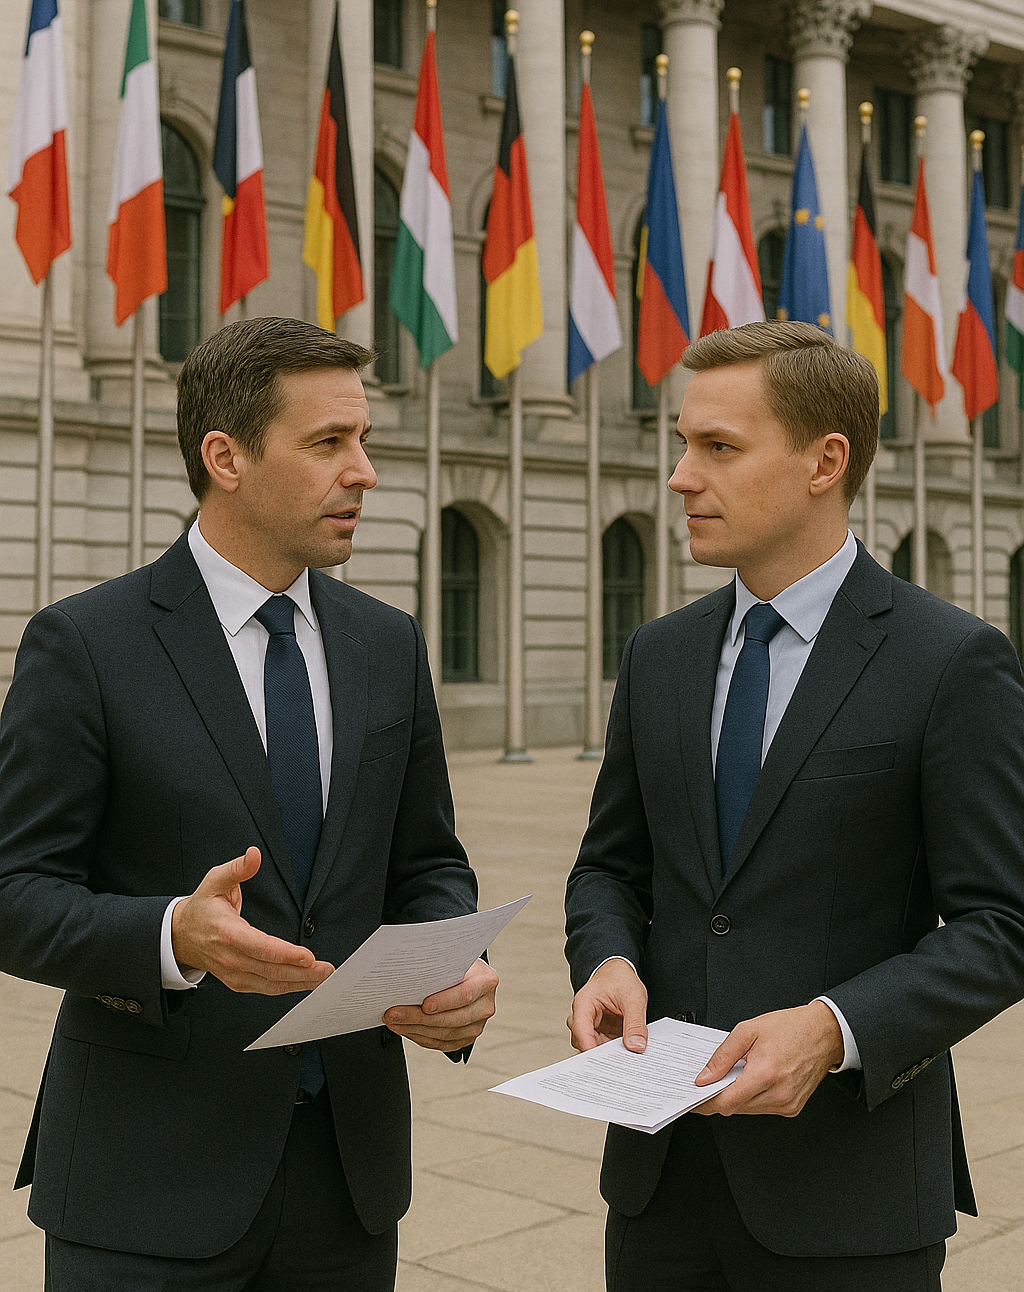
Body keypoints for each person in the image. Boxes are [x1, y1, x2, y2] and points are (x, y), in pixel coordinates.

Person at [0, 317, 498, 1290]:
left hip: (346, 1185)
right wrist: (174, 936)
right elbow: (12, 891)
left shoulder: (386, 644)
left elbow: (427, 861)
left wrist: (454, 960)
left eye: (364, 441)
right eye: (328, 444)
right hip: (146, 1185)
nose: (364, 472)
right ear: (224, 457)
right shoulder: (85, 646)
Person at [565, 320, 1024, 1291]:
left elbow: (1001, 924)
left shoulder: (949, 660)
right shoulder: (659, 654)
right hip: (657, 1189)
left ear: (825, 461)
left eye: (718, 448)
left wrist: (833, 1027)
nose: (681, 476)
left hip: (848, 1201)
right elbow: (612, 866)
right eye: (682, 443)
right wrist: (606, 957)